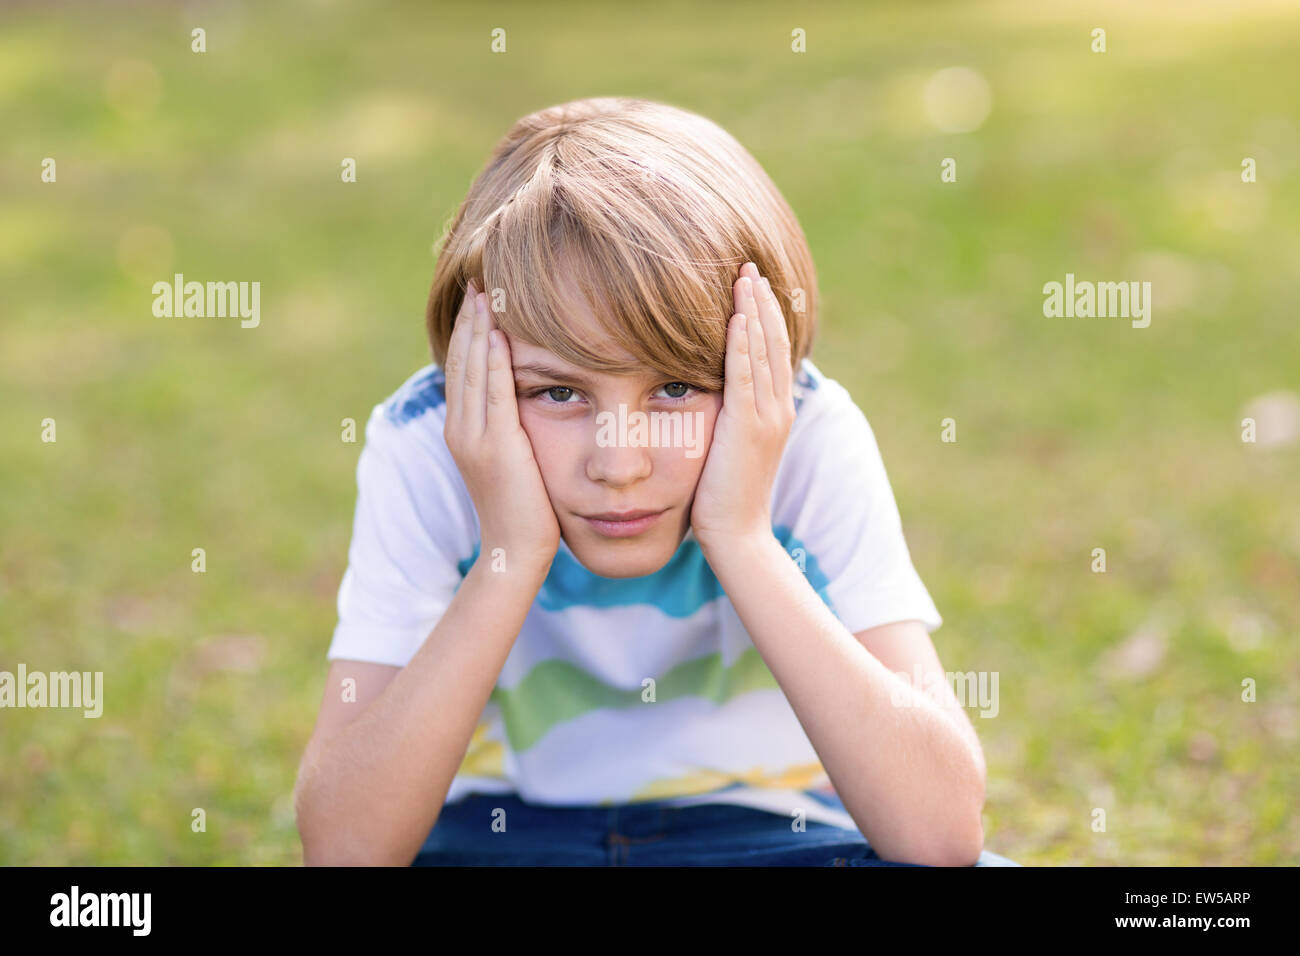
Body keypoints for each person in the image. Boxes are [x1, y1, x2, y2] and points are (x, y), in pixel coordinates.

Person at [293, 96, 1019, 867]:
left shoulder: (807, 440)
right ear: (480, 367)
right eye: (558, 393)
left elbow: (939, 836)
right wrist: (511, 548)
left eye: (674, 389)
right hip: (497, 840)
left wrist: (741, 536)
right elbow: (346, 849)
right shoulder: (431, 445)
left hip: (768, 834)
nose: (620, 462)